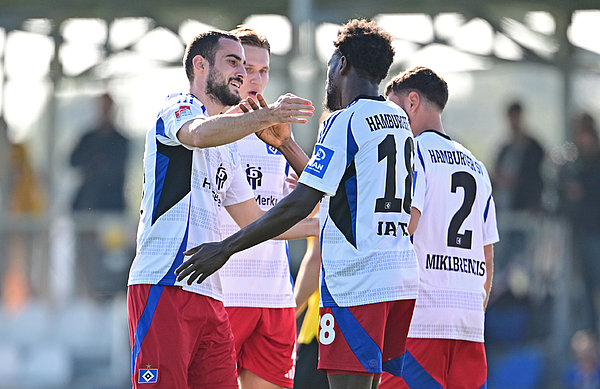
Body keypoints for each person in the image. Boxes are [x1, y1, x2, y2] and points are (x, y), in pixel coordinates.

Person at [176, 19, 419, 389]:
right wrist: (288, 146)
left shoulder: (345, 120)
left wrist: (224, 248)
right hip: (399, 276)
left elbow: (301, 203)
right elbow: (341, 192)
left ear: (341, 65)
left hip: (358, 281)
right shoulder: (399, 120)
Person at [127, 30, 317, 388]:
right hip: (165, 283)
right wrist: (267, 115)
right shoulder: (178, 107)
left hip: (210, 295)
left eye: (246, 67)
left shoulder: (228, 149)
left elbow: (255, 224)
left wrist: (322, 224)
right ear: (200, 65)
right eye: (233, 63)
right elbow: (197, 134)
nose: (243, 75)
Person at [380, 66, 499, 388]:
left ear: (412, 102)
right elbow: (487, 255)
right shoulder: (477, 166)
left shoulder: (413, 152)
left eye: (393, 108)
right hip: (469, 320)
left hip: (422, 319)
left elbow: (406, 223)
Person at [217, 26, 303, 389]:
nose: (254, 78)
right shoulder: (213, 129)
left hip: (274, 295)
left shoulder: (276, 134)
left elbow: (302, 208)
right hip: (224, 293)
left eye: (263, 70)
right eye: (247, 68)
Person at [560, 112, 600, 332]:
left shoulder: (594, 164)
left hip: (595, 233)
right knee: (583, 292)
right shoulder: (575, 164)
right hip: (581, 233)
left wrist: (582, 194)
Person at [70, 93, 129, 212]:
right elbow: (72, 160)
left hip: (111, 204)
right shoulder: (87, 138)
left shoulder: (120, 141)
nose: (104, 111)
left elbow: (116, 169)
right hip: (86, 204)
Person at [493, 100, 545, 214]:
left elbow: (538, 178)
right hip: (505, 208)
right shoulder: (505, 148)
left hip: (525, 208)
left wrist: (534, 202)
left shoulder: (534, 148)